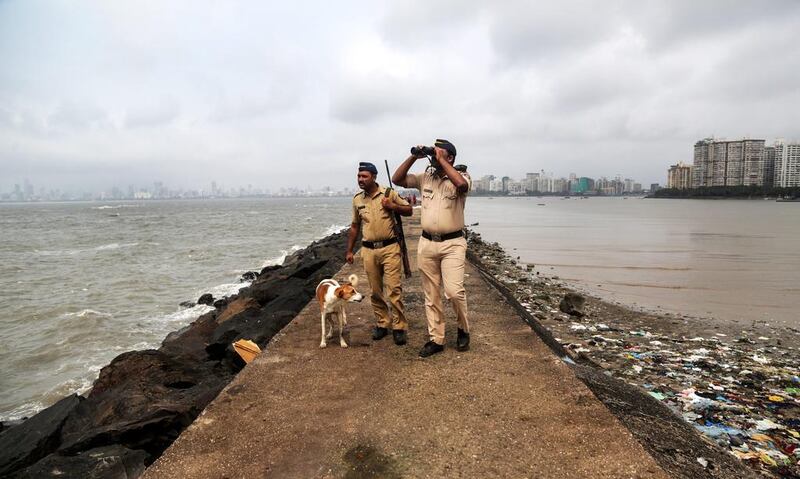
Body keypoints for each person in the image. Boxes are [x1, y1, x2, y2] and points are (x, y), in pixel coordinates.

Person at [392, 139, 472, 358]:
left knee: (454, 292)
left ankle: (463, 328)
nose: (435, 155)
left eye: (440, 152)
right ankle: (436, 339)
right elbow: (397, 179)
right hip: (427, 243)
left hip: (453, 243)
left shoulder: (462, 176)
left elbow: (462, 186)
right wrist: (413, 157)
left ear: (451, 157)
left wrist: (441, 161)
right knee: (431, 294)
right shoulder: (425, 177)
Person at [346, 162, 413, 345]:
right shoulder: (357, 199)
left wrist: (392, 206)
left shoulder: (389, 193)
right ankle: (382, 323)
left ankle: (399, 327)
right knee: (375, 291)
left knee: (394, 289)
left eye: (364, 176)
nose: (360, 179)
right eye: (359, 176)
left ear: (374, 177)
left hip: (390, 248)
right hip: (368, 250)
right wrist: (350, 250)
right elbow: (355, 226)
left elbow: (409, 210)